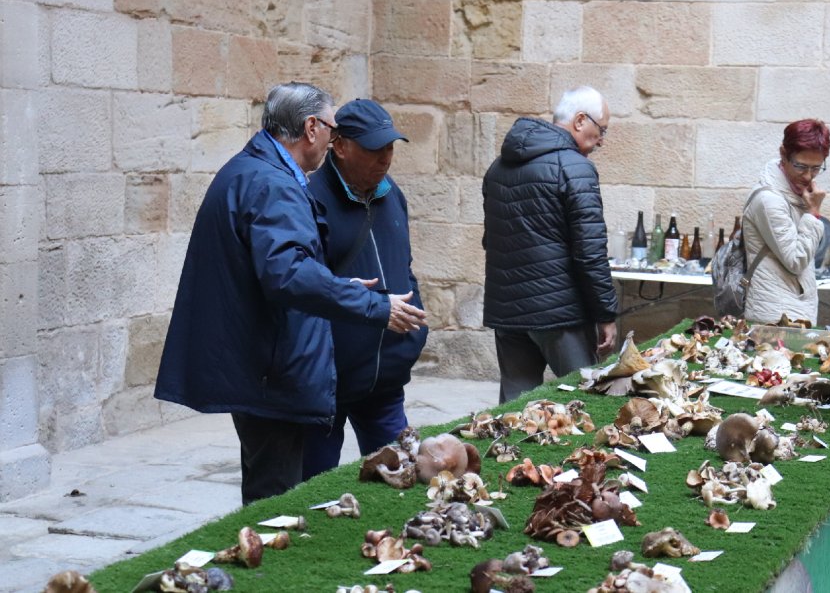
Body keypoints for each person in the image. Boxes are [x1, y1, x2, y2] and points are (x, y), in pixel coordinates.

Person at [155, 82, 425, 505]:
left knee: (278, 492)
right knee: (280, 500)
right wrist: (370, 304)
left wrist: (342, 289)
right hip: (269, 372)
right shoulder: (273, 184)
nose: (335, 137)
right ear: (312, 128)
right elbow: (288, 275)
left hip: (268, 366)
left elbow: (285, 269)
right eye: (333, 128)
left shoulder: (255, 171)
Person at [301, 99, 429, 480]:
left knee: (402, 480)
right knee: (314, 489)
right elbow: (302, 285)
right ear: (339, 146)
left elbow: (405, 267)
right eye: (375, 148)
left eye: (390, 147)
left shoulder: (394, 196)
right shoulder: (309, 200)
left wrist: (414, 335)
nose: (386, 158)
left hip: (386, 380)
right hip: (329, 382)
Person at [482, 85, 619, 402]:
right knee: (586, 402)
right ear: (580, 120)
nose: (601, 141)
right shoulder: (575, 168)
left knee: (514, 413)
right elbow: (590, 253)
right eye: (601, 131)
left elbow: (492, 241)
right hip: (560, 315)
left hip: (508, 312)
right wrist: (606, 315)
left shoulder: (497, 168)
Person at [741, 119, 830, 325]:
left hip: (793, 309)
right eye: (801, 166)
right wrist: (813, 213)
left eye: (816, 168)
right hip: (775, 316)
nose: (808, 176)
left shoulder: (796, 193)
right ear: (783, 154)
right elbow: (796, 261)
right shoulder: (769, 200)